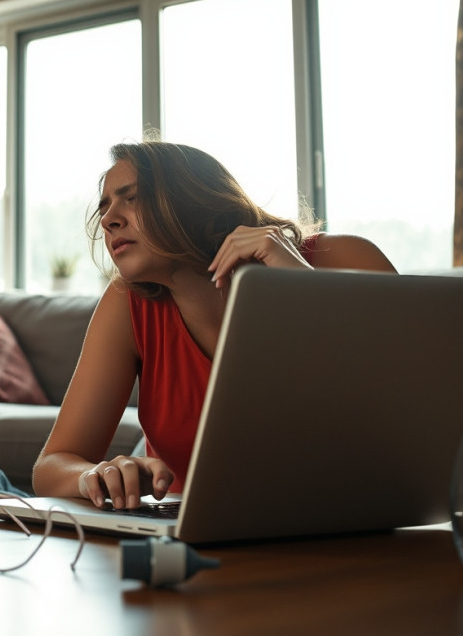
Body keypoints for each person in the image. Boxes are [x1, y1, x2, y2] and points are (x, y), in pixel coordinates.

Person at [31, 139, 399, 510]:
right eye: (105, 206)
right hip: (198, 535)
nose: (109, 219)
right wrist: (92, 476)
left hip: (361, 520)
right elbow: (52, 465)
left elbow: (407, 410)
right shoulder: (128, 304)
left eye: (133, 197)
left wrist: (302, 288)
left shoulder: (345, 259)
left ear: (196, 199)